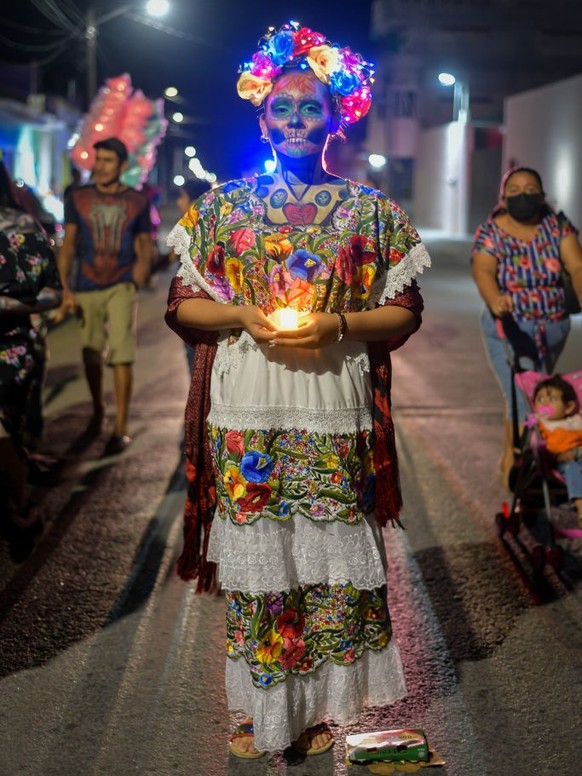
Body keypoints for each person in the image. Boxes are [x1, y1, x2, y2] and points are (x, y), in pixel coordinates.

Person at [165, 21, 431, 759]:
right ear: (261, 117)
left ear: (336, 118)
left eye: (311, 107)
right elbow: (181, 305)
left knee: (323, 563)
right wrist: (245, 313)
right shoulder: (220, 208)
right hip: (246, 400)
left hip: (331, 403)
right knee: (262, 562)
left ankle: (312, 711)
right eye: (282, 107)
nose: (294, 120)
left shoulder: (373, 212)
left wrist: (336, 323)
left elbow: (403, 311)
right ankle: (259, 711)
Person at [471, 166, 582, 486]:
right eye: (515, 190)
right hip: (509, 328)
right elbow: (483, 271)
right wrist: (495, 300)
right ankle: (515, 466)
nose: (523, 195)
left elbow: (576, 265)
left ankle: (516, 457)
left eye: (530, 188)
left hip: (553, 328)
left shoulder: (557, 226)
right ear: (503, 198)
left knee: (532, 396)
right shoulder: (490, 231)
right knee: (524, 397)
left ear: (542, 194)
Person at [57, 137, 153, 454]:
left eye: (108, 161)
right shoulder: (78, 197)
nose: (101, 167)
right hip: (85, 283)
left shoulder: (138, 200)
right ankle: (99, 410)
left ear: (122, 165)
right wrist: (64, 288)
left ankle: (121, 425)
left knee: (121, 352)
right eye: (98, 160)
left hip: (121, 283)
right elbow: (68, 244)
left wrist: (139, 275)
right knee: (90, 352)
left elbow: (144, 244)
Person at [0, 160, 62, 545]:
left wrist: (8, 306)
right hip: (18, 346)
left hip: (11, 346)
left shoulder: (23, 227)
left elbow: (53, 293)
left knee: (7, 431)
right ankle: (17, 510)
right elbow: (52, 294)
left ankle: (17, 511)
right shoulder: (28, 226)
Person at [172, 178, 212, 374]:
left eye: (182, 197)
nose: (179, 203)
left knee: (197, 361)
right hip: (202, 308)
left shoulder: (195, 228)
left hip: (198, 306)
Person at [533, 374, 582, 526]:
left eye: (552, 399)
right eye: (540, 399)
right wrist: (555, 456)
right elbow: (537, 446)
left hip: (579, 453)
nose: (545, 403)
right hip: (560, 460)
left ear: (569, 407)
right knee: (571, 468)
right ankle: (581, 506)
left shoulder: (576, 421)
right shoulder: (541, 425)